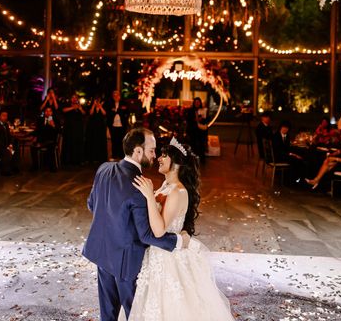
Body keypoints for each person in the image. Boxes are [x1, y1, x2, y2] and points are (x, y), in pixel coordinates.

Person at [83, 128, 189, 321]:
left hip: (101, 253)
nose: (155, 155)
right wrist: (178, 241)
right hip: (126, 262)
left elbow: (92, 204)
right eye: (152, 150)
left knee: (108, 315)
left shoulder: (104, 169)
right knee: (135, 313)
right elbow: (146, 235)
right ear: (138, 151)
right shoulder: (139, 184)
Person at [127, 137, 235, 321]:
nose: (159, 159)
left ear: (176, 162)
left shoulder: (178, 191)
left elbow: (159, 231)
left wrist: (149, 197)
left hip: (168, 259)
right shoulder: (166, 186)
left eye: (164, 156)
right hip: (157, 255)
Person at [0, 110, 19, 175]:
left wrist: (10, 144)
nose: (5, 117)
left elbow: (9, 136)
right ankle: (5, 170)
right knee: (7, 151)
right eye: (3, 115)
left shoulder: (6, 124)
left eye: (6, 116)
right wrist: (6, 147)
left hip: (5, 145)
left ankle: (14, 167)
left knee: (16, 149)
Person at [31, 106, 60, 171]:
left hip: (51, 140)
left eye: (50, 111)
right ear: (44, 112)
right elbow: (37, 130)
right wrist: (34, 137)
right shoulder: (40, 119)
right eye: (46, 111)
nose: (48, 112)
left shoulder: (55, 119)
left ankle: (52, 166)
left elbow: (59, 131)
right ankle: (35, 166)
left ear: (52, 112)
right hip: (41, 140)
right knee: (33, 147)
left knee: (50, 146)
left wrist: (53, 125)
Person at [62, 94, 85, 166]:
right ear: (71, 98)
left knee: (77, 144)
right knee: (68, 143)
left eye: (76, 98)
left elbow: (84, 113)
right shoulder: (67, 104)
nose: (74, 99)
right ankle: (67, 161)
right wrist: (72, 107)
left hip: (77, 129)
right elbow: (64, 110)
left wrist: (80, 108)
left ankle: (77, 160)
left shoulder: (80, 106)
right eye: (73, 97)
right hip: (68, 128)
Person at [106, 90, 129, 160]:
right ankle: (114, 155)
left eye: (117, 95)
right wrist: (116, 111)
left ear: (119, 96)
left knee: (121, 140)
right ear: (113, 96)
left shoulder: (124, 103)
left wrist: (118, 111)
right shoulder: (110, 104)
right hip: (113, 125)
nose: (116, 96)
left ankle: (121, 155)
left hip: (122, 125)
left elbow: (127, 112)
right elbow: (108, 114)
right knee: (114, 141)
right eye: (114, 95)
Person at [185, 97, 208, 165]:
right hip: (193, 130)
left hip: (201, 131)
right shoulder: (191, 110)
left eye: (198, 102)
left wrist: (202, 119)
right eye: (196, 102)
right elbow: (188, 120)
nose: (197, 103)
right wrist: (195, 120)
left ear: (200, 103)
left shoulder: (203, 110)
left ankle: (202, 160)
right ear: (194, 103)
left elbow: (206, 119)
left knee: (201, 145)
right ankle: (192, 160)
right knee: (193, 145)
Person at [86, 96, 108, 164]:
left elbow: (104, 113)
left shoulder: (103, 105)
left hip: (101, 127)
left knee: (101, 141)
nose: (97, 101)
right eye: (96, 100)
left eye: (98, 100)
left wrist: (100, 107)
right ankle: (92, 158)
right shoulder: (91, 105)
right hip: (92, 127)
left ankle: (101, 158)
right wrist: (94, 105)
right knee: (92, 141)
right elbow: (90, 113)